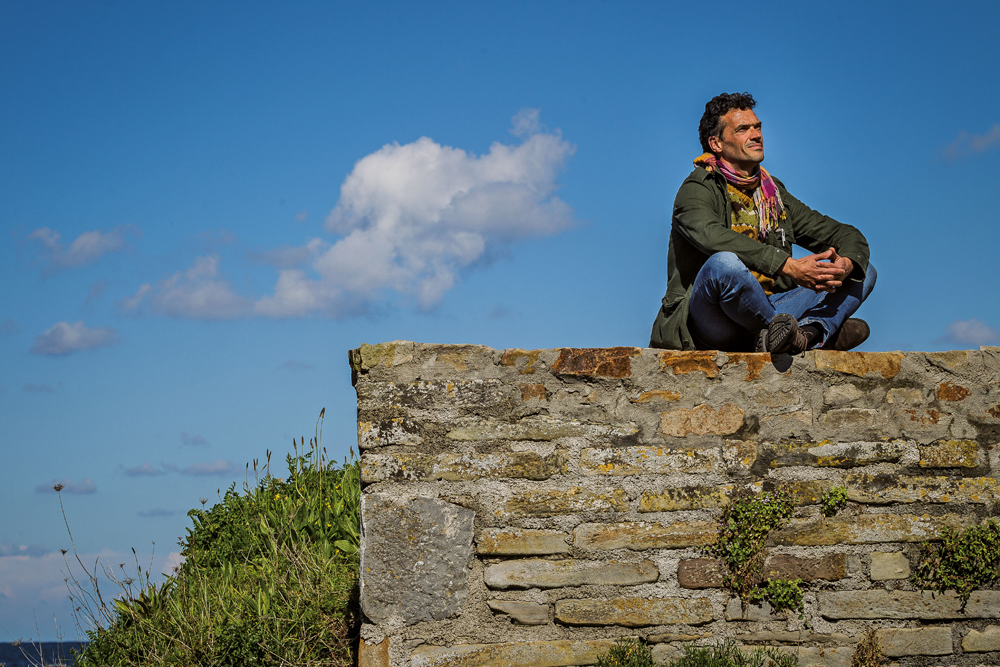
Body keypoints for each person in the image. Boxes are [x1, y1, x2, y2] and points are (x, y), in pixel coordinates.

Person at [649, 92, 876, 354]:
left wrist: (845, 264)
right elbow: (710, 235)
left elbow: (844, 235)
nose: (756, 135)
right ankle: (807, 335)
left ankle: (806, 335)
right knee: (723, 264)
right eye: (743, 129)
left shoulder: (774, 194)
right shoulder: (698, 187)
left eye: (757, 127)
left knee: (863, 270)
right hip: (713, 321)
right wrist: (787, 266)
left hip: (774, 312)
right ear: (716, 143)